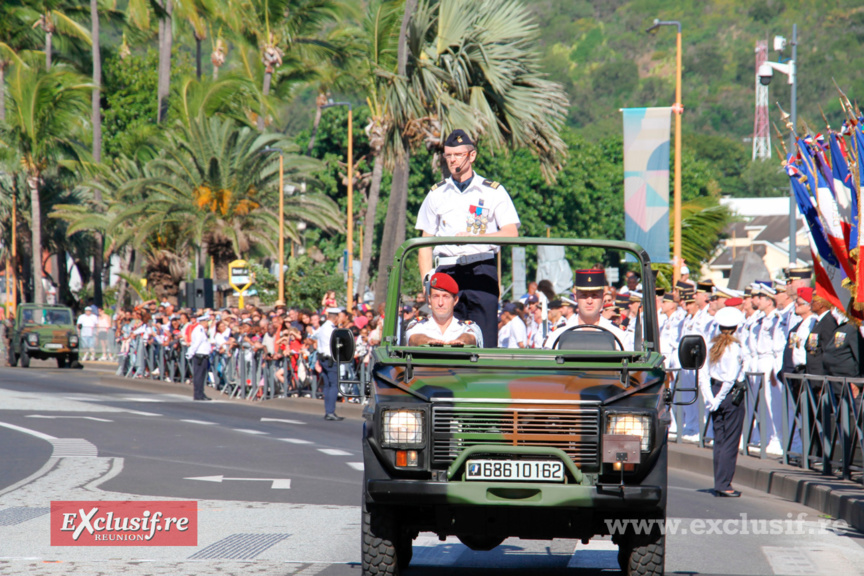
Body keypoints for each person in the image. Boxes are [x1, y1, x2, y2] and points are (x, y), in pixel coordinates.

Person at [415, 129, 520, 348]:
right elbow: (425, 242)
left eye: (458, 155)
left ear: (471, 156)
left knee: (485, 340)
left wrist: (476, 238)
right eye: (448, 155)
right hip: (447, 270)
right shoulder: (437, 193)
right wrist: (427, 280)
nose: (453, 160)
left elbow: (511, 232)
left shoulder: (492, 191)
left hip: (480, 270)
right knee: (445, 338)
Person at [699, 306, 747, 497]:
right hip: (729, 395)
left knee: (719, 439)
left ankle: (719, 482)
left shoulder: (711, 345)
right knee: (729, 441)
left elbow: (702, 374)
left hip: (714, 390)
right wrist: (718, 399)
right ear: (736, 328)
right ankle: (724, 484)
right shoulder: (734, 347)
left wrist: (709, 398)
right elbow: (731, 378)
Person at [545, 270, 626, 349]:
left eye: (594, 295)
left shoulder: (618, 335)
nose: (589, 301)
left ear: (602, 297)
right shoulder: (558, 334)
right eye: (584, 295)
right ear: (576, 297)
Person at [407, 273, 483, 346]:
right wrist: (427, 341)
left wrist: (461, 341)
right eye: (436, 296)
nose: (440, 303)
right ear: (429, 299)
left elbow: (471, 338)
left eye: (446, 297)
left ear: (455, 300)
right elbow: (414, 339)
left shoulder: (468, 327)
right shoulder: (418, 325)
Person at [315, 308, 343, 421]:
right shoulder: (332, 329)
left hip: (323, 358)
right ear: (336, 317)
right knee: (334, 385)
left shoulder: (322, 327)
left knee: (327, 385)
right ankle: (330, 411)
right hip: (331, 359)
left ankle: (328, 411)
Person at [186, 314, 213, 401]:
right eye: (206, 322)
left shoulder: (201, 330)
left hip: (203, 355)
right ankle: (198, 394)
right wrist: (190, 353)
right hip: (200, 356)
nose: (207, 323)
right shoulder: (199, 330)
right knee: (199, 376)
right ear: (203, 322)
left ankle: (201, 393)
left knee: (201, 376)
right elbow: (196, 343)